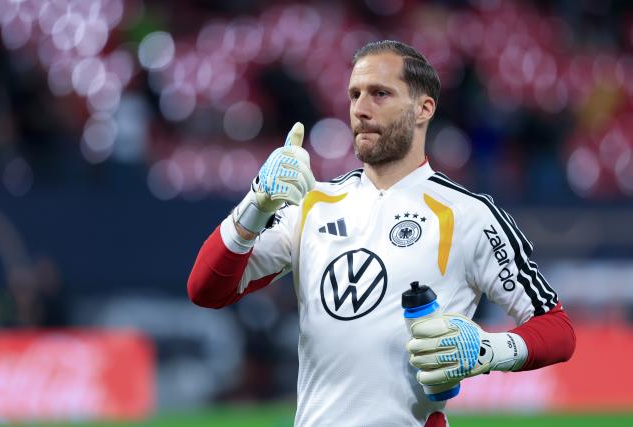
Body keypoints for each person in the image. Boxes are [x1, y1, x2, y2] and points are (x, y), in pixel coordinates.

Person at [187, 40, 576, 427]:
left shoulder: (469, 215)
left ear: (424, 108)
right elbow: (206, 290)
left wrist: (488, 350)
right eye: (355, 95)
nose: (360, 108)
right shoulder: (312, 204)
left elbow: (557, 328)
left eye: (380, 94)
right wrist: (255, 204)